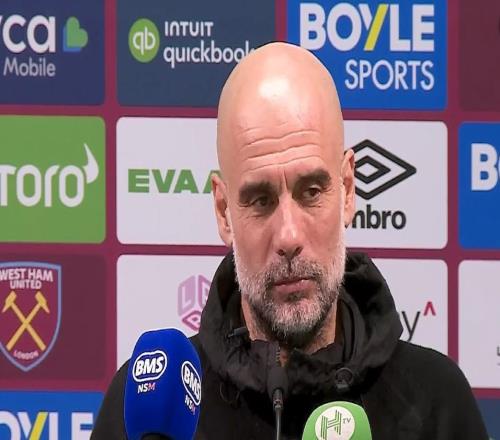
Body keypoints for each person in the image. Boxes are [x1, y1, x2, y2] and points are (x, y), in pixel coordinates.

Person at [92, 42, 488, 439]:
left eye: (311, 192)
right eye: (260, 200)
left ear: (348, 190)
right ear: (223, 211)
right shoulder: (147, 418)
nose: (289, 236)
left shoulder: (436, 404)